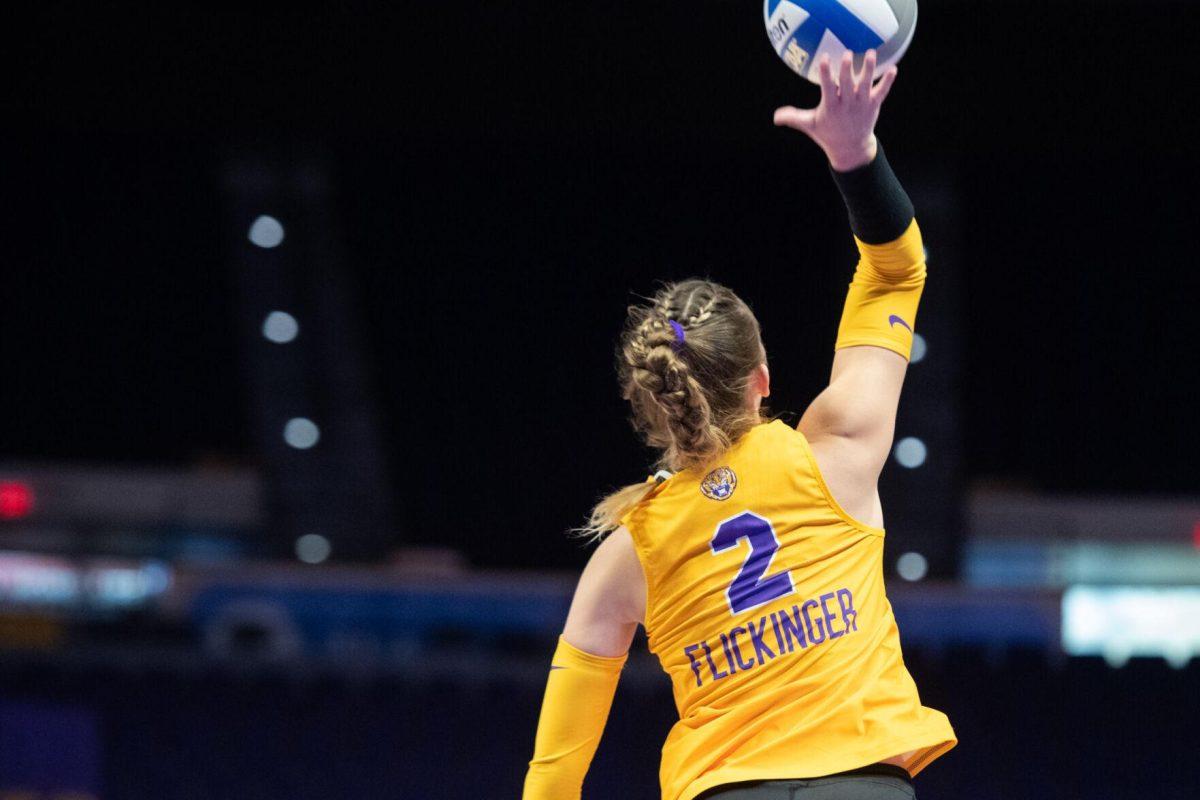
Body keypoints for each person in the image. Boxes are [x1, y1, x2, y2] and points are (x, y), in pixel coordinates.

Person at [523, 50, 956, 800]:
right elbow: (896, 270)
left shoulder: (629, 552)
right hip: (860, 787)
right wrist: (855, 156)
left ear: (651, 408)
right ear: (762, 379)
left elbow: (556, 770)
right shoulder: (838, 448)